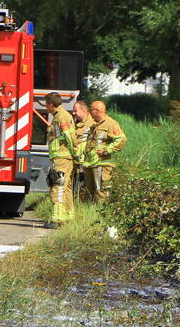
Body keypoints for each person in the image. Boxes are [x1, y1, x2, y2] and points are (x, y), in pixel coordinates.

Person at [44, 91, 79, 228]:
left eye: (47, 105)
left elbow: (69, 136)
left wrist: (74, 152)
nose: (46, 108)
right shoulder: (59, 116)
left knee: (57, 186)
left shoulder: (62, 117)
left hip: (62, 157)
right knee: (66, 188)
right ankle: (68, 216)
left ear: (51, 104)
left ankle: (57, 219)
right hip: (62, 157)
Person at [82, 100, 126, 202]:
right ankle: (88, 214)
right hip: (90, 164)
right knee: (87, 192)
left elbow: (121, 139)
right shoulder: (94, 125)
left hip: (101, 164)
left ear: (97, 111)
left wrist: (106, 150)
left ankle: (100, 215)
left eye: (91, 110)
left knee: (100, 191)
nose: (89, 112)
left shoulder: (111, 124)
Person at [71, 100, 94, 201]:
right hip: (74, 161)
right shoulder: (74, 123)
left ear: (84, 110)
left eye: (75, 111)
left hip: (85, 163)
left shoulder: (93, 124)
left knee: (84, 188)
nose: (73, 113)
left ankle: (82, 207)